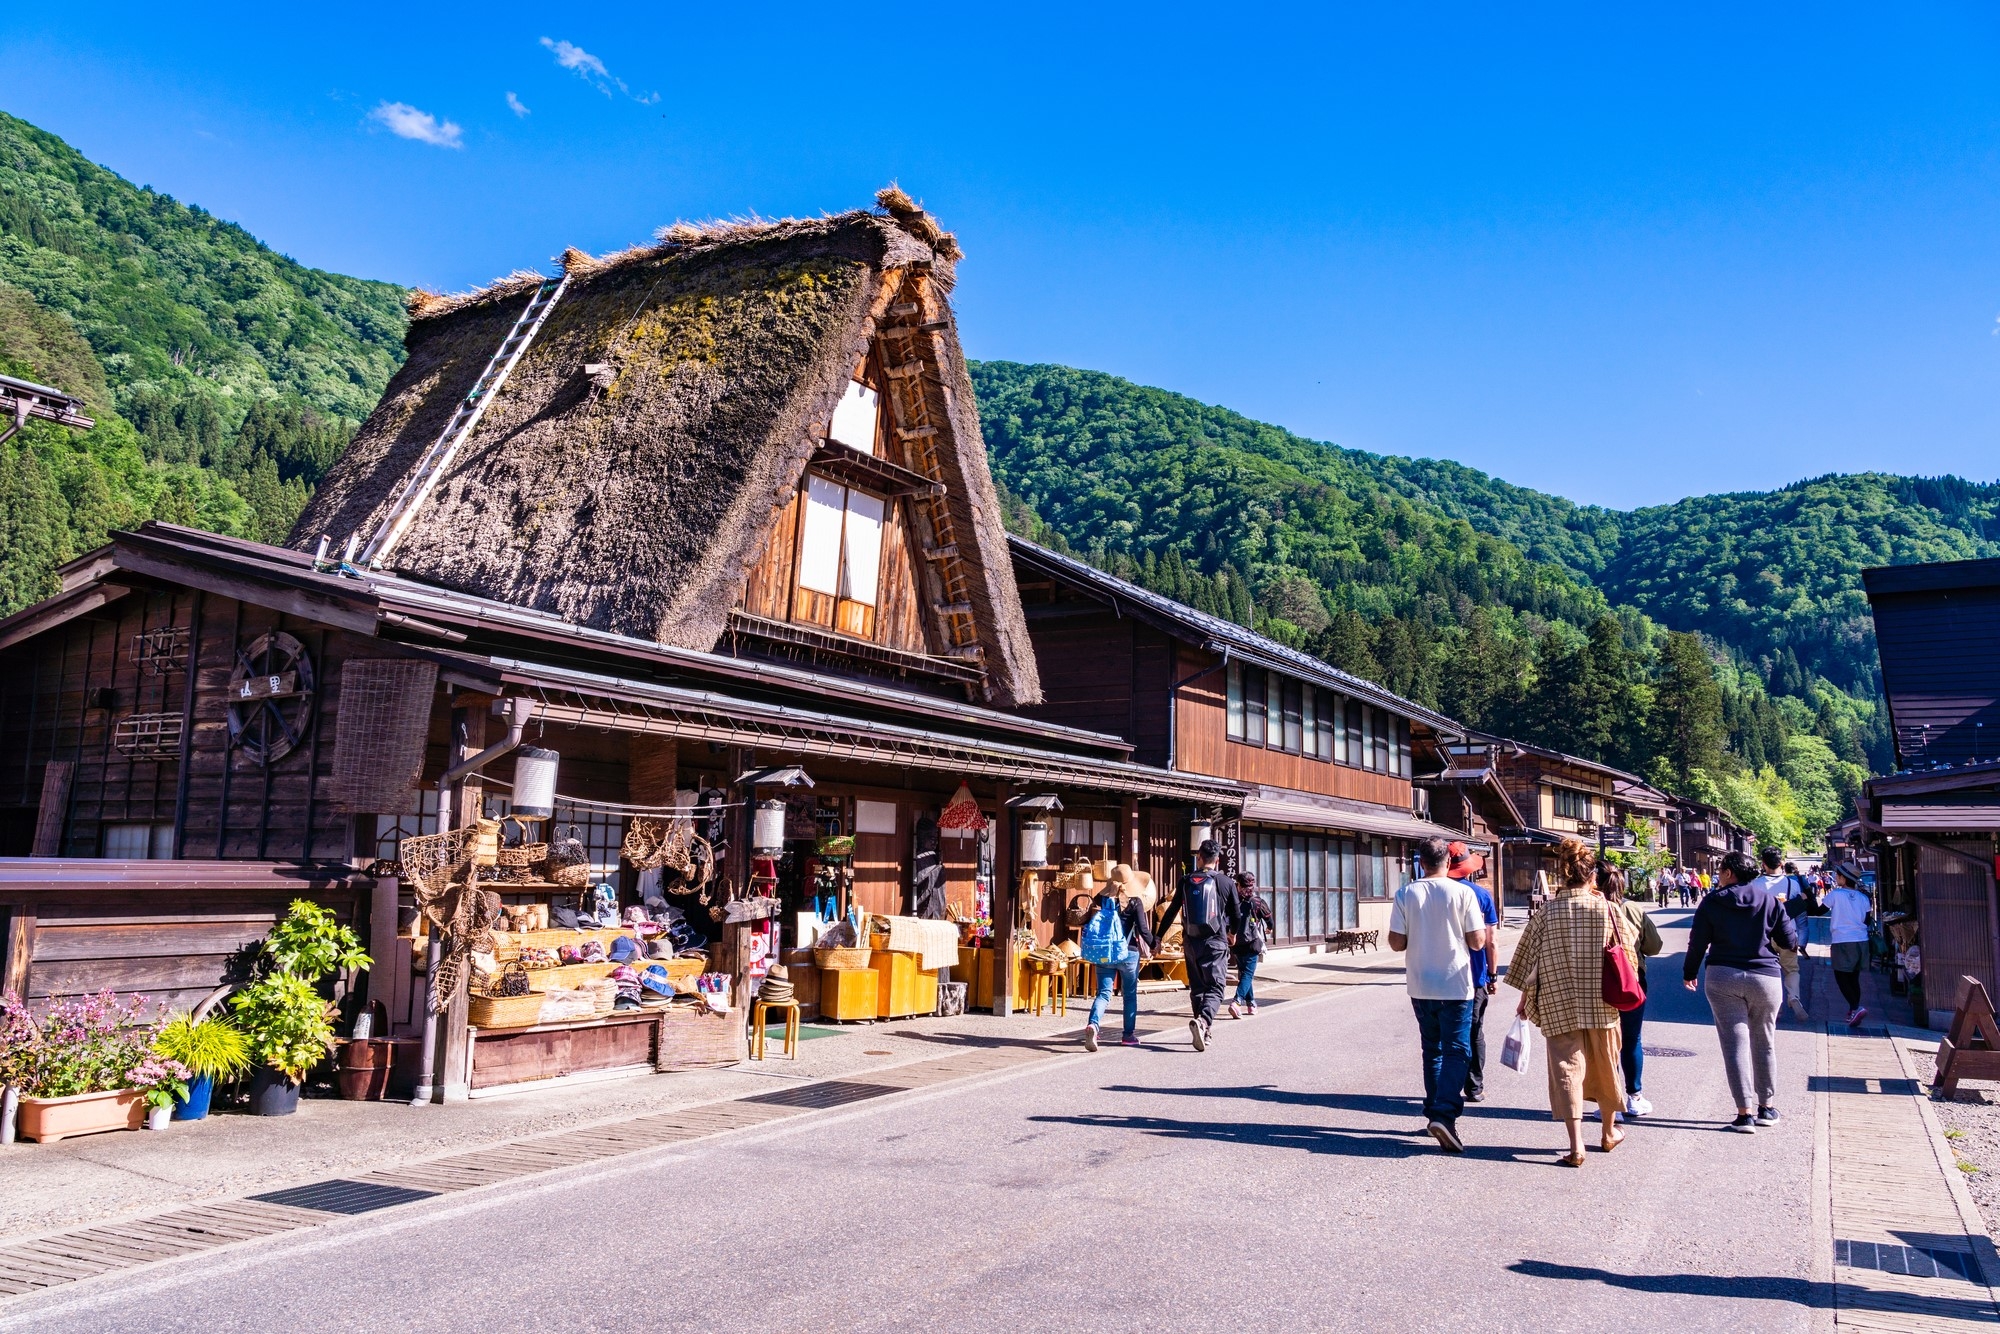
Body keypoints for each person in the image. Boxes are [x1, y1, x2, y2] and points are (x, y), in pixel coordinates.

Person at [1506, 837, 1634, 1166]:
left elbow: (1525, 962)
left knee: (1567, 1069)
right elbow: (1628, 958)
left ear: (1564, 875)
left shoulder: (1546, 913)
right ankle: (1608, 1133)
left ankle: (1576, 1146)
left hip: (1557, 999)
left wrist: (1524, 997)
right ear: (1593, 877)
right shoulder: (1609, 909)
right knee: (1606, 1066)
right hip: (1603, 1002)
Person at [1685, 848, 1798, 1132]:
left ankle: (1744, 1113)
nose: (1719, 875)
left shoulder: (1711, 902)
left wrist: (1689, 973)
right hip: (1766, 978)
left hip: (1723, 975)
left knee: (1734, 1044)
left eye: (1721, 870)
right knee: (1765, 1041)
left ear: (1729, 873)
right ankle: (1767, 1108)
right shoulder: (1770, 901)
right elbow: (1789, 942)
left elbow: (1697, 942)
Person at [1389, 837, 1488, 1153]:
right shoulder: (1464, 892)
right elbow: (1476, 942)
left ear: (1421, 863)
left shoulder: (1406, 893)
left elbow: (1396, 943)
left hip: (1420, 983)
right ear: (1448, 862)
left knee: (1432, 1049)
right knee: (1458, 1050)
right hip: (1455, 982)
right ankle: (1444, 1114)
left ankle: (1435, 1111)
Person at [1158, 840, 1242, 1052]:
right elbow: (1237, 914)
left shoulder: (1186, 881)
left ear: (1199, 858)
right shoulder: (1226, 882)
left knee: (1197, 988)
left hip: (1191, 942)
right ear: (1217, 859)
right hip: (1215, 942)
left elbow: (1171, 911)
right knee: (1215, 987)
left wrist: (1158, 938)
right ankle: (1204, 1021)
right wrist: (1232, 933)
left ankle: (1204, 1029)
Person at [1600, 864, 1664, 1118]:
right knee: (1631, 1038)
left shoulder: (1591, 907)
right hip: (1631, 980)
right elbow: (1655, 946)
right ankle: (1634, 1096)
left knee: (1605, 1041)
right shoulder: (1633, 909)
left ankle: (1608, 1098)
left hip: (1598, 981)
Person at [1446, 841, 1500, 1103]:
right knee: (1474, 1031)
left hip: (1443, 975)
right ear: (1467, 869)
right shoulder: (1481, 895)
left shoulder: (1434, 892)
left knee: (1447, 1033)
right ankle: (1474, 1086)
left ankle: (1447, 1087)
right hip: (1475, 973)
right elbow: (1491, 941)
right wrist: (1492, 975)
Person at [1082, 879, 1156, 1050]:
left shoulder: (1101, 898)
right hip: (1128, 953)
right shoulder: (1135, 902)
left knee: (1104, 994)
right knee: (1129, 996)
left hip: (1105, 953)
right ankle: (1128, 1036)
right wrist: (1154, 945)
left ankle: (1093, 1025)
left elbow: (1091, 909)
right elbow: (1143, 930)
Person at [1748, 849, 1813, 1022]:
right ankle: (1794, 997)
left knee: (1767, 971)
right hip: (1788, 932)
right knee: (1791, 969)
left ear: (1763, 864)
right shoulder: (1793, 884)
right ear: (1781, 864)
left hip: (1764, 935)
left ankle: (1774, 1006)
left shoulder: (1755, 884)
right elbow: (1799, 910)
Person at [1826, 871, 1876, 1027]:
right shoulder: (1863, 897)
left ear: (1843, 878)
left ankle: (1856, 1007)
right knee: (1854, 978)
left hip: (1842, 940)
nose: (1836, 878)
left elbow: (1819, 910)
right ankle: (1853, 1010)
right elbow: (1867, 921)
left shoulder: (1836, 894)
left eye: (1837, 875)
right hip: (1861, 940)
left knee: (1841, 977)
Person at [1229, 872, 1276, 1019]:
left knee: (1244, 973)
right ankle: (1237, 1002)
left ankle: (1251, 1004)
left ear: (1238, 884)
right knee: (1248, 974)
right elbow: (1269, 920)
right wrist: (1269, 928)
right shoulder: (1257, 902)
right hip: (1252, 943)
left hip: (1236, 942)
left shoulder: (1231, 901)